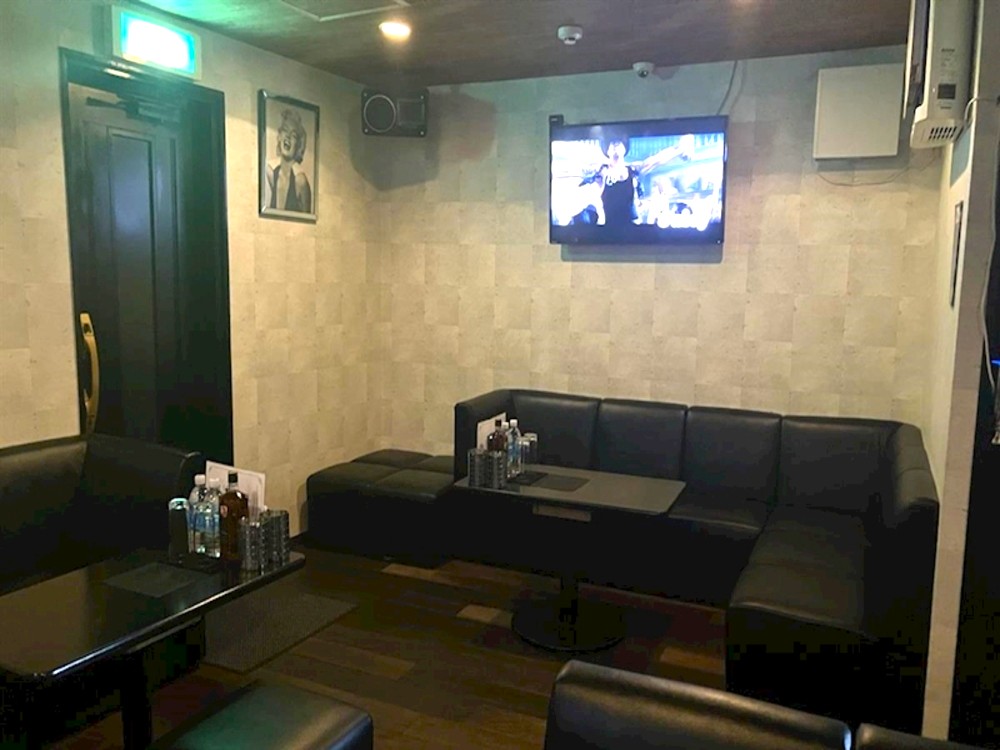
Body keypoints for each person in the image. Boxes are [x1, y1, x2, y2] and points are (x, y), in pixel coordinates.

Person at [587, 133, 695, 227]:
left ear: (624, 149)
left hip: (633, 227)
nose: (616, 147)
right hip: (610, 228)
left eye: (619, 144)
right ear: (607, 150)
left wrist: (679, 150)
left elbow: (656, 160)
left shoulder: (633, 170)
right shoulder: (601, 172)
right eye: (613, 144)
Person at [265, 108, 312, 213]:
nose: (288, 136)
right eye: (285, 130)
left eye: (293, 135)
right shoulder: (270, 174)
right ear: (279, 136)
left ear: (298, 145)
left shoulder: (301, 182)